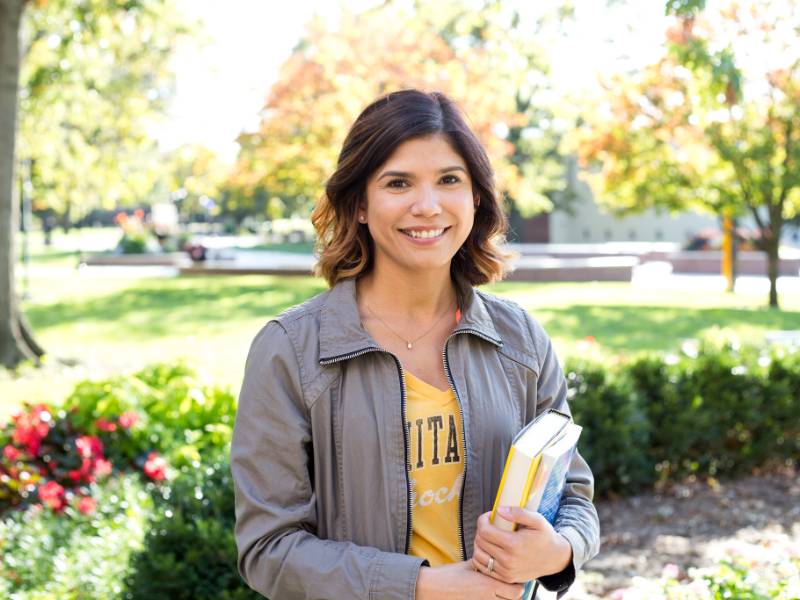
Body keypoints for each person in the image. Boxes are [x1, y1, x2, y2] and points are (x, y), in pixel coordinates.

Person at [231, 89, 600, 600]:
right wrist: (425, 586)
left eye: (449, 180)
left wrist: (558, 550)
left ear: (475, 196)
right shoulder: (291, 351)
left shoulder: (520, 340)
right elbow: (268, 549)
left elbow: (574, 493)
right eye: (398, 183)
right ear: (359, 203)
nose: (427, 206)